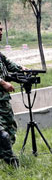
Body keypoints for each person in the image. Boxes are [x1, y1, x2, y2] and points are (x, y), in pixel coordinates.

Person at [0, 26, 24, 167]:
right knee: (2, 135)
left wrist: (22, 69)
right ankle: (12, 165)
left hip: (3, 101)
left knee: (10, 131)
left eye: (1, 29)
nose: (1, 32)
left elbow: (8, 64)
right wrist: (3, 83)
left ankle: (5, 156)